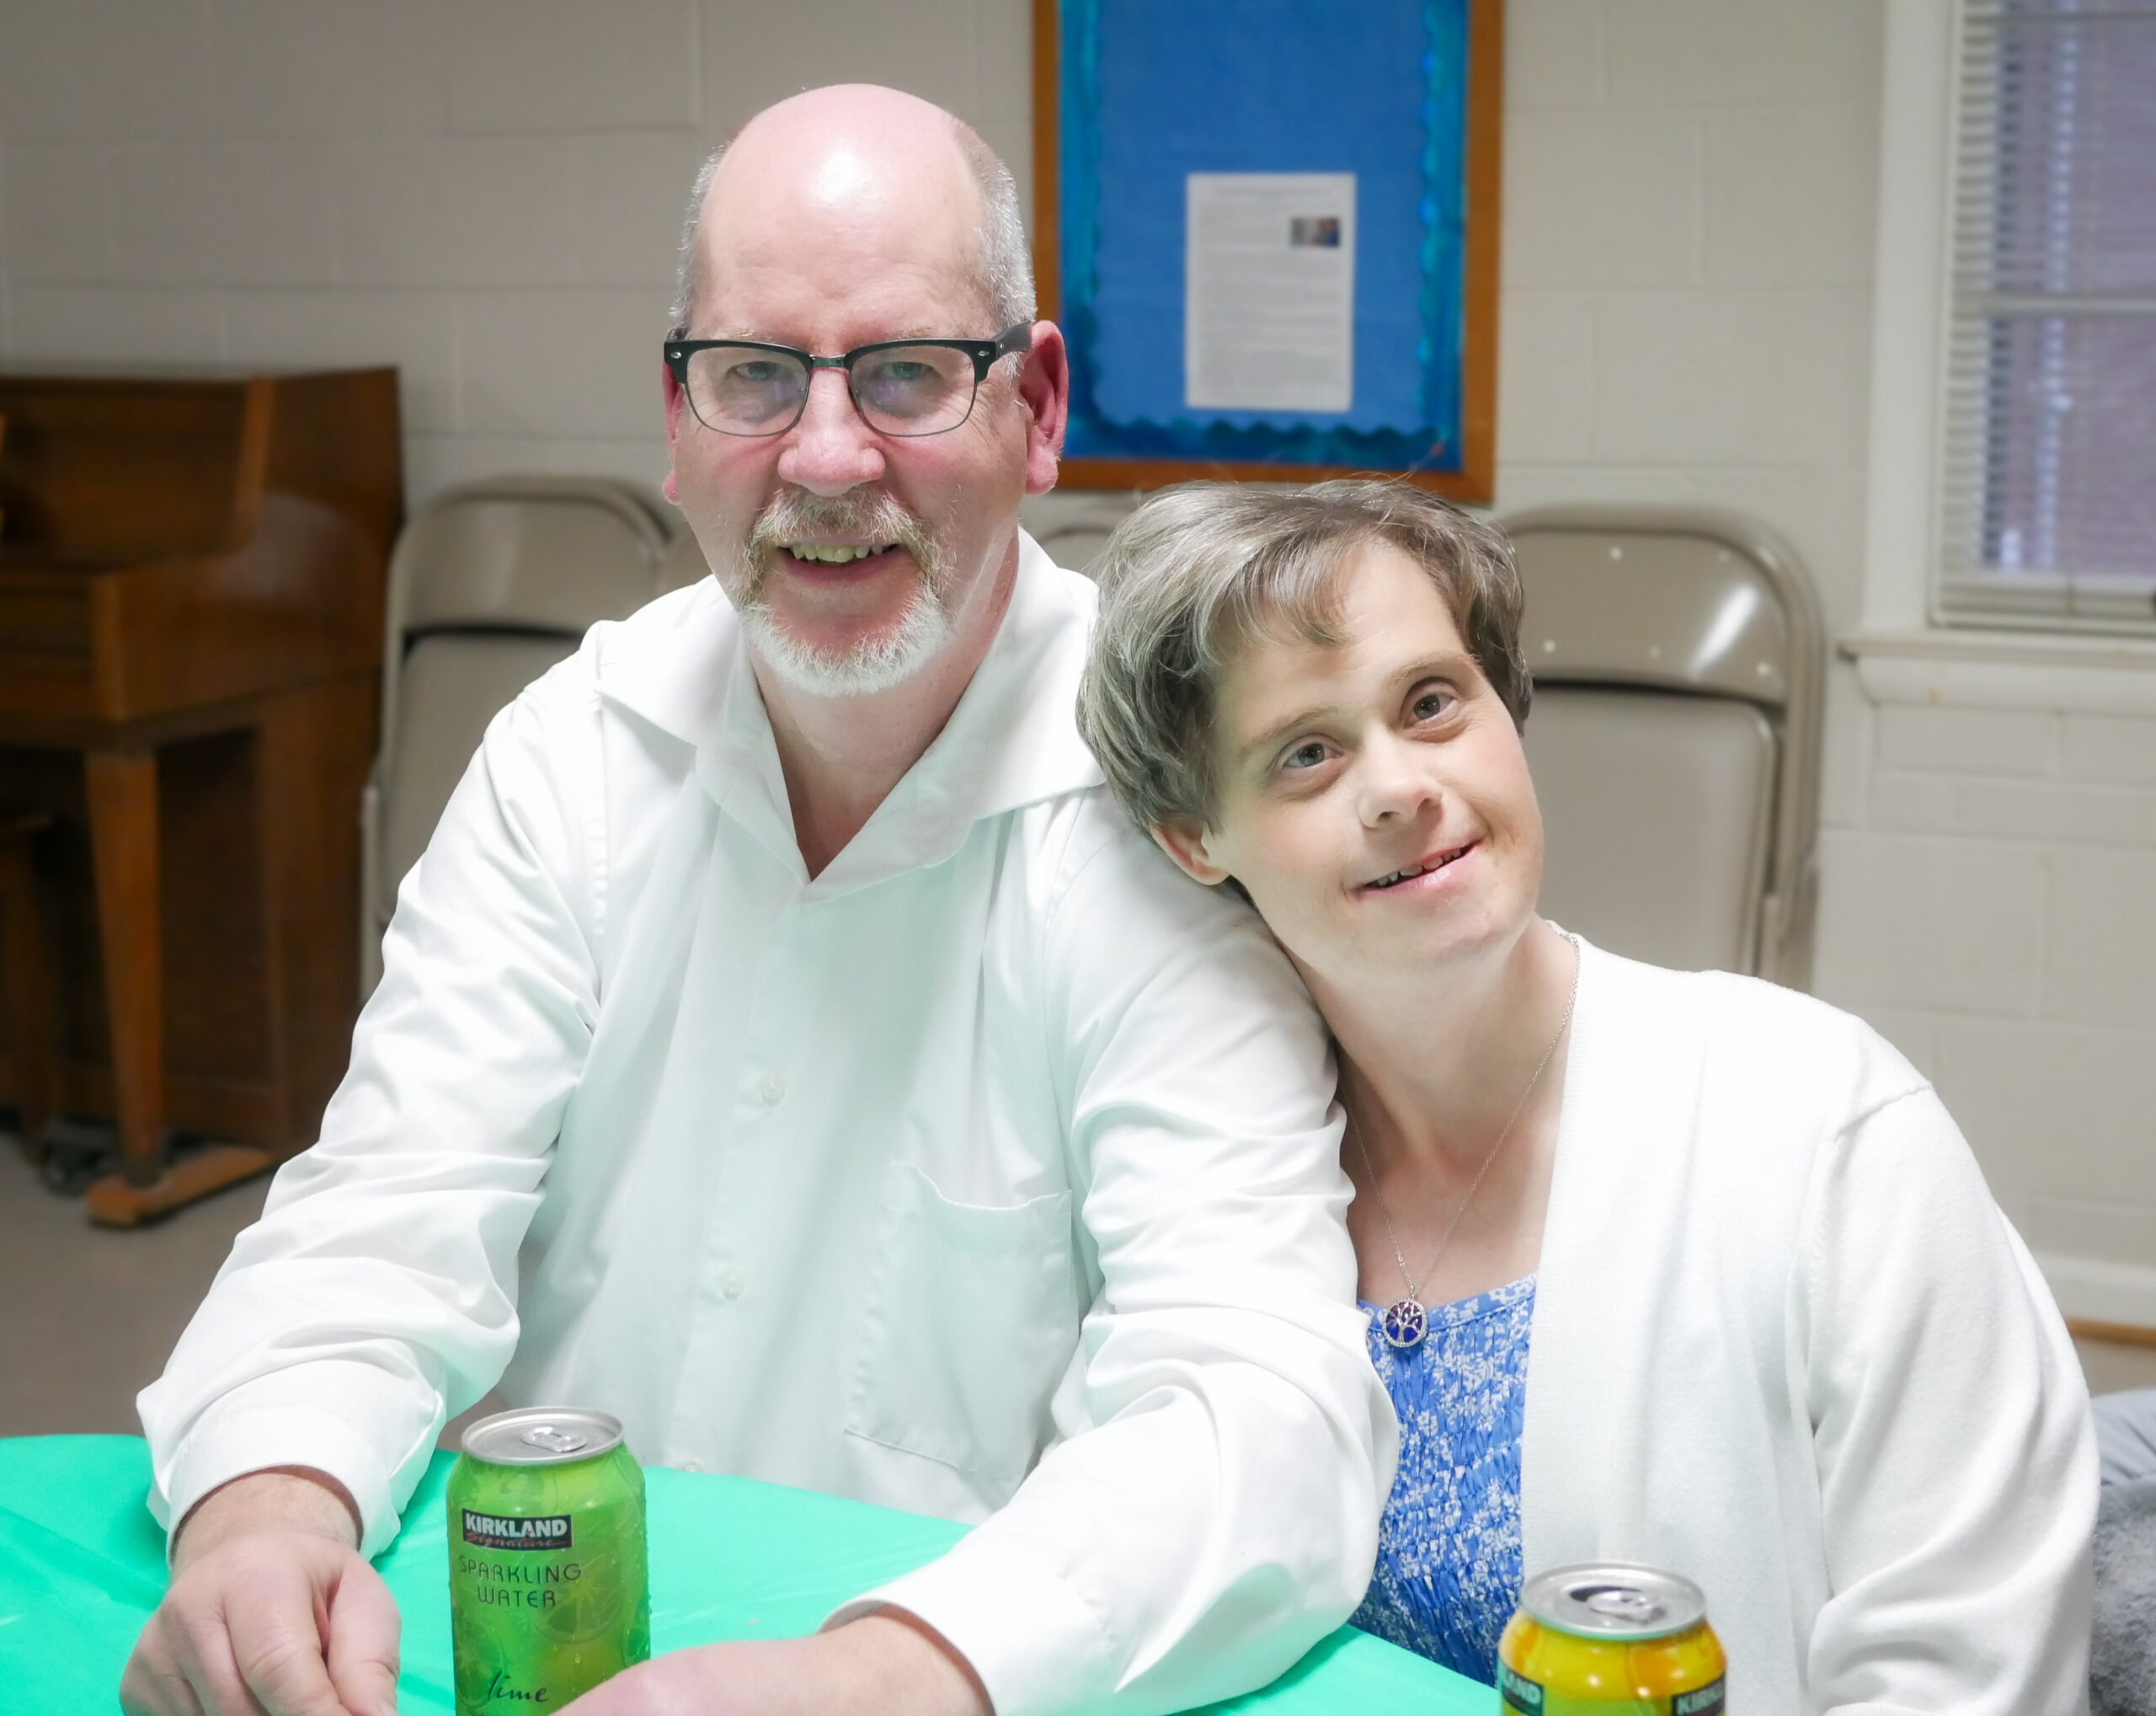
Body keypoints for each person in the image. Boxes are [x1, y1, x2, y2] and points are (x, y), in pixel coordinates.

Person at [121, 89, 1394, 1716]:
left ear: (1042, 403)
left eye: (908, 372)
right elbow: (380, 1217)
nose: (825, 454)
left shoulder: (1164, 811)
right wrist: (264, 1508)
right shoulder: (572, 760)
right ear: (675, 418)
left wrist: (868, 1678)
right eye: (754, 376)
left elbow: (1260, 1409)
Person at [1077, 478, 2098, 1713]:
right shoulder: (1188, 1172)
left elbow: (1971, 1671)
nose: (1399, 785)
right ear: (1195, 838)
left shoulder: (1832, 1131)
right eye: (1307, 751)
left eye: (1432, 702)